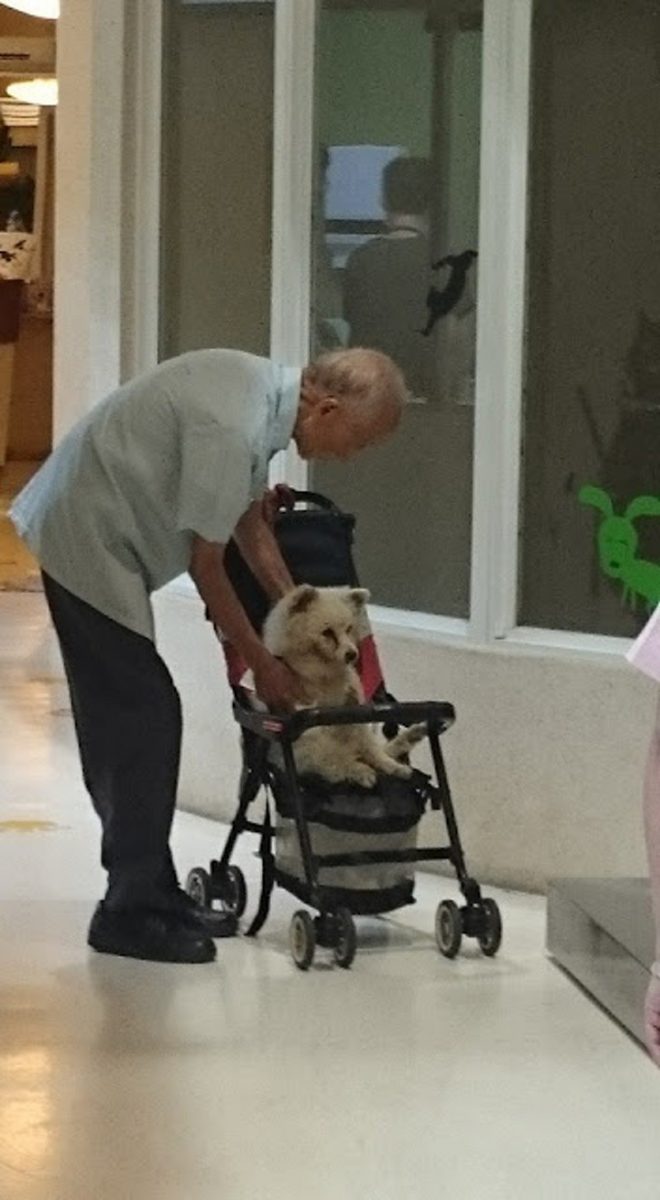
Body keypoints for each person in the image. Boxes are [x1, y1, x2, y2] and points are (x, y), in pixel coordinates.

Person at [10, 347, 406, 965]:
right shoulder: (234, 424)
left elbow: (247, 518)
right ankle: (128, 911)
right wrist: (264, 664)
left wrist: (297, 608)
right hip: (83, 535)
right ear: (326, 407)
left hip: (99, 527)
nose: (350, 457)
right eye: (358, 440)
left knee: (140, 715)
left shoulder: (257, 397)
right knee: (140, 718)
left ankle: (153, 891)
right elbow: (207, 563)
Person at [343, 156, 433, 397]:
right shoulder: (444, 264)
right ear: (433, 203)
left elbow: (354, 326)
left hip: (366, 395)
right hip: (429, 399)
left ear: (383, 200)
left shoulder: (361, 260)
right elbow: (458, 342)